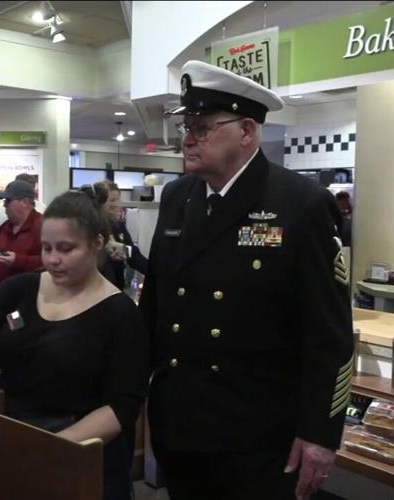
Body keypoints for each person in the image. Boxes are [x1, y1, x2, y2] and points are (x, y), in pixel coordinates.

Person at [139, 61, 353, 500]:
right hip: (181, 422)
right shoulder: (177, 197)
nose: (189, 137)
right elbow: (156, 307)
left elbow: (329, 335)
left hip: (258, 435)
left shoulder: (300, 204)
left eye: (202, 126)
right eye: (187, 126)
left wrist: (320, 434)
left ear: (247, 131)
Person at [0, 190, 150, 500]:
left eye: (66, 249)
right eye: (46, 248)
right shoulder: (21, 289)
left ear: (97, 243)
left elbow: (121, 408)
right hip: (16, 439)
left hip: (82, 455)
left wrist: (52, 447)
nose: (52, 259)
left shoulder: (120, 314)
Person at [91, 181, 149, 290]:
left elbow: (134, 257)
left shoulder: (118, 225)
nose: (118, 204)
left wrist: (153, 272)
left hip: (116, 287)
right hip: (97, 288)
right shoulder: (91, 227)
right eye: (112, 200)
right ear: (99, 203)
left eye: (118, 199)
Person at [0, 179, 44, 285]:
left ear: (24, 202)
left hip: (30, 295)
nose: (4, 205)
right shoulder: (4, 227)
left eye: (8, 200)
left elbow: (52, 261)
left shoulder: (43, 227)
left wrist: (19, 261)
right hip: (3, 292)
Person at [0, 174, 46, 244]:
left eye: (9, 200)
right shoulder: (0, 213)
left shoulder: (41, 212)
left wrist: (18, 254)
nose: (5, 205)